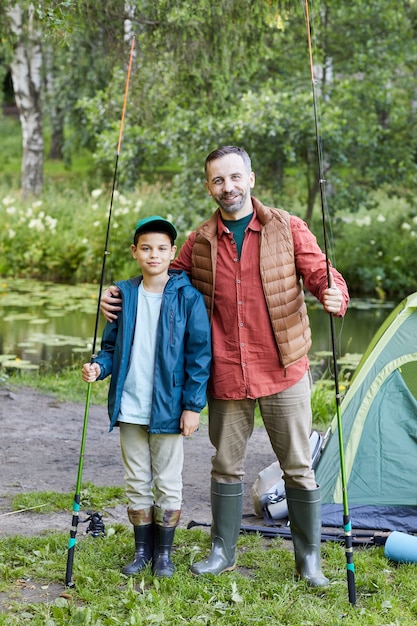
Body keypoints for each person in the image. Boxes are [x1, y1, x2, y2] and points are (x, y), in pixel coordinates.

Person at [100, 146, 349, 587]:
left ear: (250, 179)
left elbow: (322, 274)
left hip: (282, 368)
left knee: (297, 465)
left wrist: (334, 295)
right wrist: (119, 296)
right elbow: (162, 279)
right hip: (228, 372)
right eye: (218, 180)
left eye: (235, 178)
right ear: (209, 186)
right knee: (225, 465)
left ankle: (308, 560)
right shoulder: (199, 241)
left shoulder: (288, 227)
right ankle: (222, 551)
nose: (227, 187)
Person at [82, 215, 211, 578]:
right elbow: (110, 349)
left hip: (170, 409)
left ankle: (164, 556)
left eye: (161, 248)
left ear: (173, 252)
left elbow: (199, 356)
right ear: (135, 252)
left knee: (168, 481)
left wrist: (192, 406)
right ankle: (142, 551)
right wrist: (98, 367)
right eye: (146, 248)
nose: (154, 254)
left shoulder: (188, 297)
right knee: (136, 480)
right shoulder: (124, 295)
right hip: (130, 407)